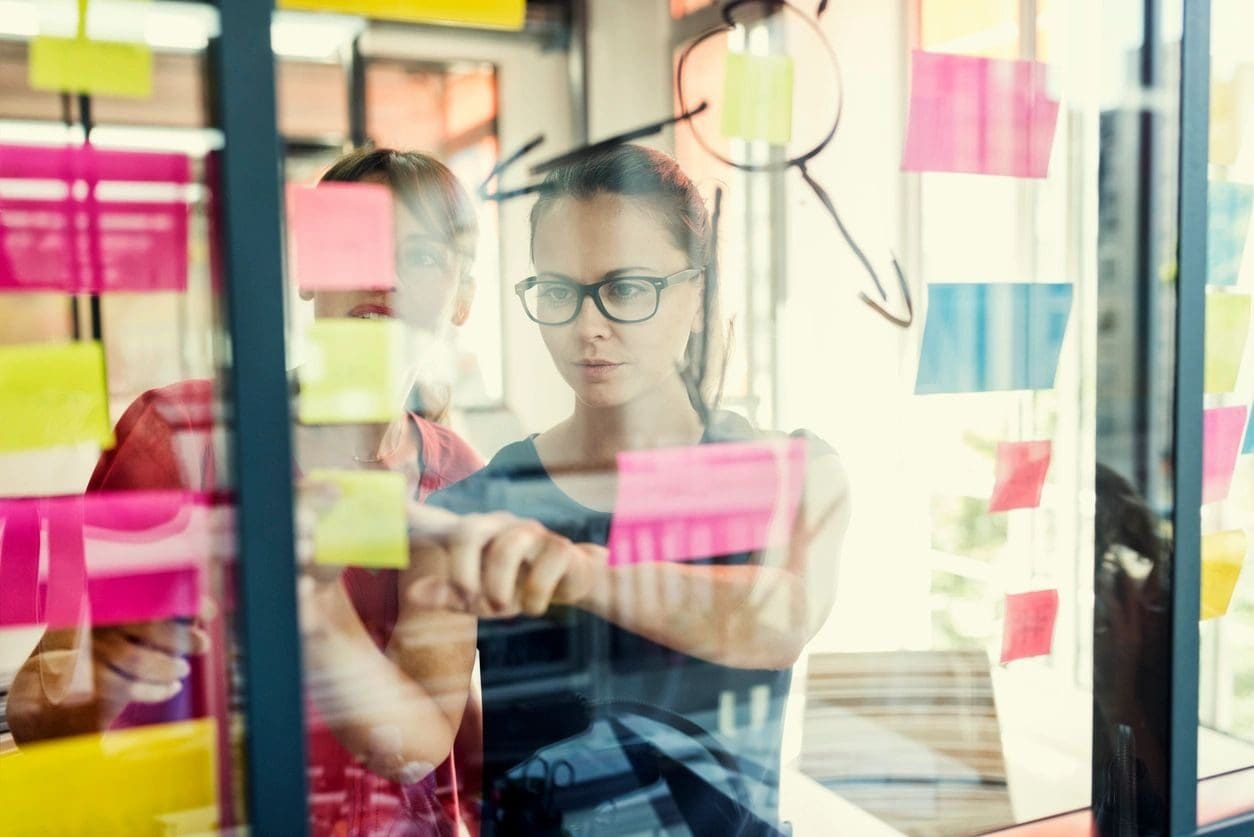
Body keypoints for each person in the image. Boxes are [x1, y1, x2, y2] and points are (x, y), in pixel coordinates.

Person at [6, 149, 590, 837]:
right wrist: (101, 675)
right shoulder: (179, 438)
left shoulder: (460, 475)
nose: (384, 274)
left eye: (424, 256)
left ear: (464, 297)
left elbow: (444, 739)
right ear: (311, 271)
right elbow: (35, 713)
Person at [410, 144, 852, 835]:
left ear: (697, 294)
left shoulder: (793, 470)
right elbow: (417, 740)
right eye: (559, 291)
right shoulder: (482, 502)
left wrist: (579, 571)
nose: (589, 326)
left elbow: (779, 618)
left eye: (625, 288)